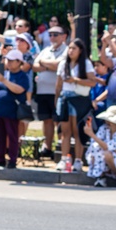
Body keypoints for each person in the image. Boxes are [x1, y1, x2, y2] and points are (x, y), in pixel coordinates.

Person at [55, 38, 97, 173]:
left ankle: (78, 160)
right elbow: (59, 84)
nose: (71, 51)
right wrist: (57, 100)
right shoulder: (63, 64)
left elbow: (92, 82)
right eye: (70, 48)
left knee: (78, 130)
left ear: (80, 51)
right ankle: (64, 158)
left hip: (79, 99)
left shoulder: (85, 64)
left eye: (74, 48)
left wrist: (76, 80)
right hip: (65, 97)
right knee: (65, 131)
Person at [0, 48, 29, 169]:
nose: (9, 63)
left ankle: (12, 159)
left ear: (19, 62)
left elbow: (20, 89)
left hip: (12, 110)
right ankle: (0, 157)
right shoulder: (4, 74)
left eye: (12, 60)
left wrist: (4, 81)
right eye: (8, 60)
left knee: (12, 135)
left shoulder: (22, 76)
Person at [33, 26, 68, 158]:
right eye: (50, 34)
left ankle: (60, 146)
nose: (52, 37)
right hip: (43, 91)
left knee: (58, 120)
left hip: (57, 91)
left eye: (55, 34)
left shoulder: (66, 50)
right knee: (46, 120)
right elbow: (35, 66)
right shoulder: (46, 50)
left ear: (64, 36)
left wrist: (43, 64)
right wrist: (49, 65)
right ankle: (47, 146)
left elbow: (59, 65)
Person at [84, 106, 116, 187]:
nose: (107, 121)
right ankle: (101, 176)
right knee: (96, 148)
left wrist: (91, 134)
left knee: (107, 154)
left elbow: (108, 147)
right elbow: (97, 143)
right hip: (108, 156)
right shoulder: (104, 128)